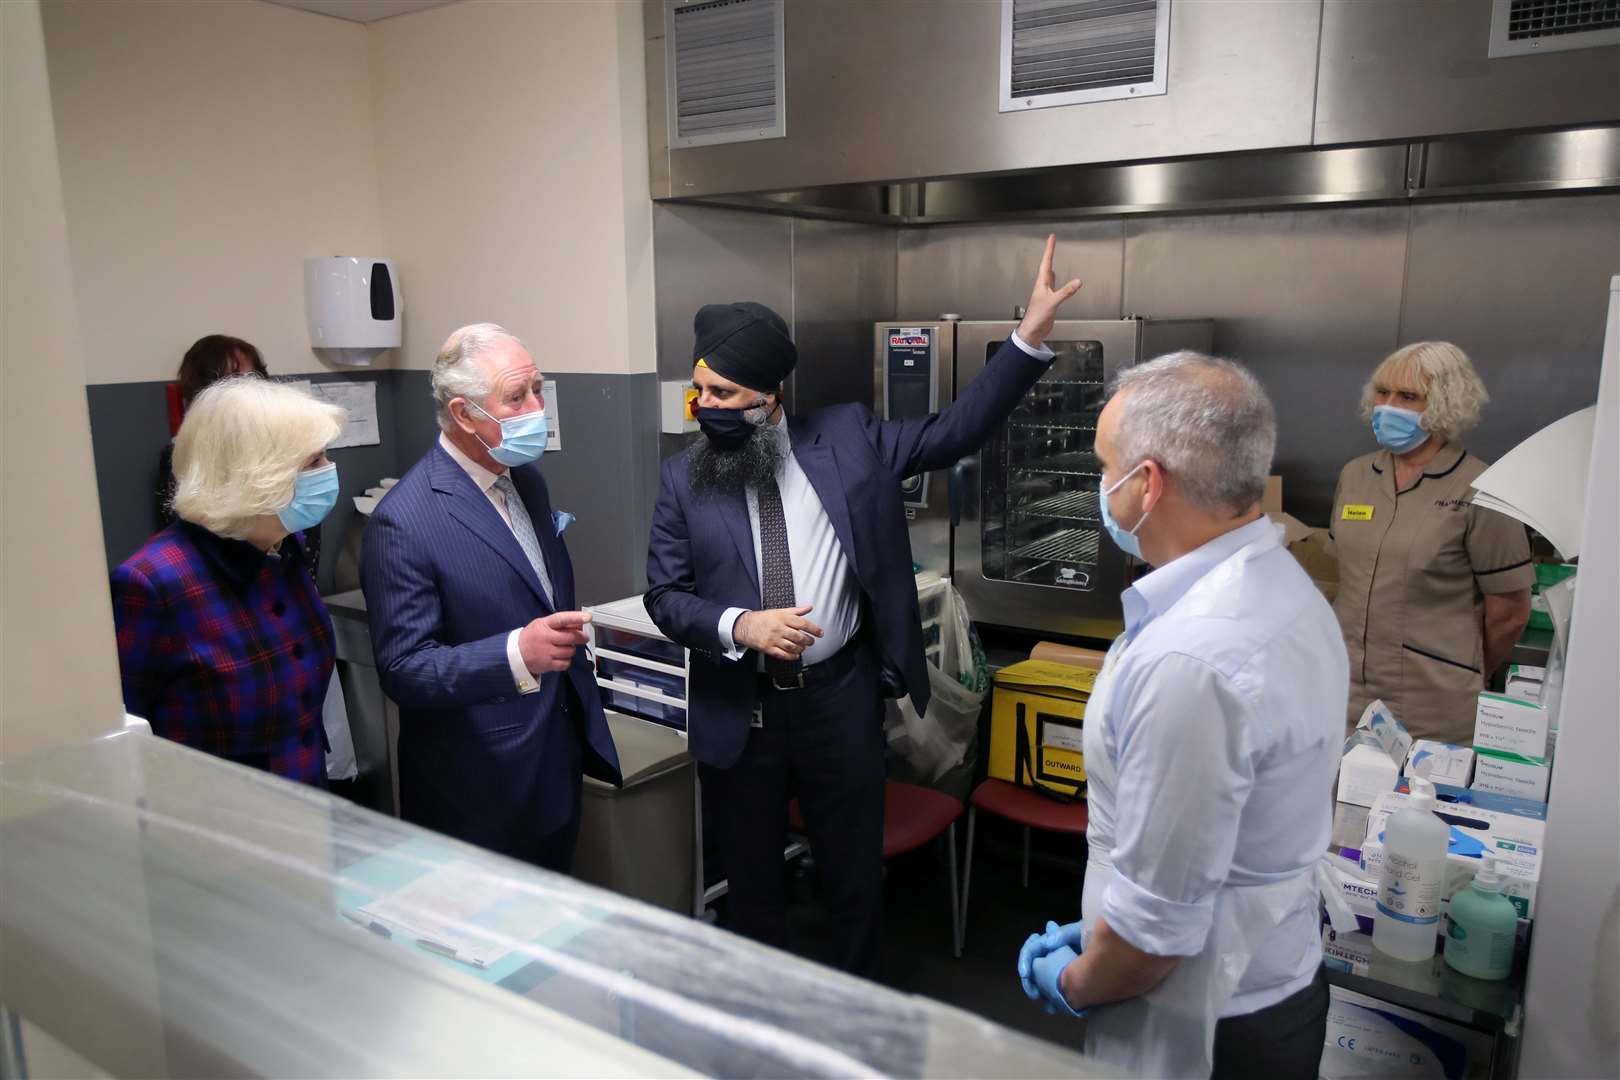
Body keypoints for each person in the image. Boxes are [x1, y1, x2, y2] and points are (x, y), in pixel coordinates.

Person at [644, 236, 1082, 976]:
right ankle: (767, 1024)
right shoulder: (685, 479)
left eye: (720, 395)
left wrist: (1026, 340)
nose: (703, 408)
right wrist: (740, 625)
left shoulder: (847, 438)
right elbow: (664, 596)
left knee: (853, 876)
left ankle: (857, 1011)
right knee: (754, 889)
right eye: (699, 393)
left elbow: (955, 430)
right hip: (741, 713)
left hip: (837, 702)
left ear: (768, 398)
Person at [1016, 353, 1346, 1079]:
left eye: (1104, 467)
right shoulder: (1282, 587)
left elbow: (1153, 939)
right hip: (1273, 975)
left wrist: (1075, 981)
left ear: (1148, 483)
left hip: (1205, 1019)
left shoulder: (1194, 661)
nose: (1100, 487)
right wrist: (1107, 925)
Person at [360, 323, 620, 871]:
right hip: (477, 778)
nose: (536, 407)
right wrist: (515, 655)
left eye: (538, 389)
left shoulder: (525, 479)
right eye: (516, 396)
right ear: (463, 414)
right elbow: (404, 668)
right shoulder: (403, 522)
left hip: (554, 746)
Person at [111, 377, 346, 785]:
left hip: (303, 804)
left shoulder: (284, 546)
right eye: (312, 462)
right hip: (217, 822)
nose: (328, 472)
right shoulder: (152, 584)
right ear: (256, 475)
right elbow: (124, 741)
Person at [1330, 341, 1533, 743]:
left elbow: (1510, 612)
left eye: (1408, 396)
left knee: (1418, 804)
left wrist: (1462, 668)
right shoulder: (1355, 477)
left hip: (1433, 705)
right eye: (1383, 392)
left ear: (1445, 403)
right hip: (1344, 691)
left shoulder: (1482, 490)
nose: (1388, 406)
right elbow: (1346, 579)